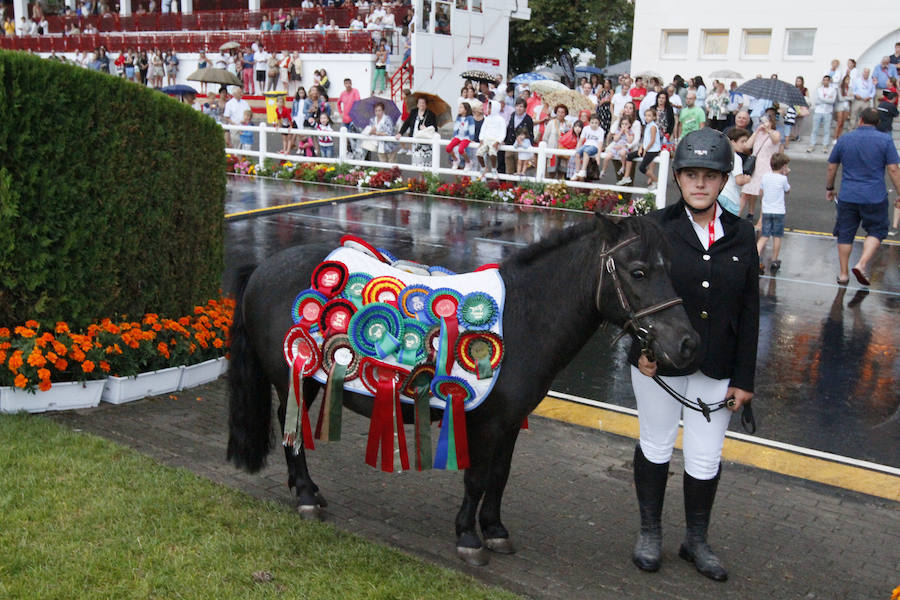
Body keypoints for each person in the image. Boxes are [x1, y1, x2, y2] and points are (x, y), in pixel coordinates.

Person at [629, 127, 758, 583]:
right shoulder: (655, 228)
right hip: (658, 365)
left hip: (717, 366)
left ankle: (696, 540)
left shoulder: (743, 236)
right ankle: (650, 533)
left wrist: (745, 379)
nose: (700, 183)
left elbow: (749, 310)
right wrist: (639, 349)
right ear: (678, 179)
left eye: (710, 175)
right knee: (656, 445)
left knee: (705, 456)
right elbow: (634, 297)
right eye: (691, 175)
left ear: (724, 181)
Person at [826, 107, 900, 286]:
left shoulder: (845, 139)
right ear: (879, 122)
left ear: (860, 120)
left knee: (845, 233)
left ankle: (843, 274)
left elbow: (831, 166)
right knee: (877, 230)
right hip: (874, 195)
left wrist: (830, 187)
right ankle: (862, 263)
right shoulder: (885, 140)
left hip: (848, 194)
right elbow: (893, 169)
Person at [757, 153, 791, 274]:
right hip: (779, 211)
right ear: (783, 167)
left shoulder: (766, 176)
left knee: (765, 235)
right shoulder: (783, 179)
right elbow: (787, 190)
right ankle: (775, 260)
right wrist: (786, 174)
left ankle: (756, 257)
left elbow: (761, 192)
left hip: (767, 210)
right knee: (777, 236)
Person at [718, 128, 752, 217]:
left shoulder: (722, 155)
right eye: (742, 141)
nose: (745, 145)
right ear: (732, 142)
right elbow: (739, 180)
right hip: (731, 197)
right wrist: (747, 179)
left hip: (719, 194)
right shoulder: (736, 158)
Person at [397, 96, 437, 166]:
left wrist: (426, 128)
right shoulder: (413, 112)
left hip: (425, 143)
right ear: (417, 104)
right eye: (420, 103)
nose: (421, 104)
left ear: (426, 104)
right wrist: (400, 133)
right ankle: (420, 177)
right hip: (415, 142)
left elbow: (435, 129)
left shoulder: (430, 114)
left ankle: (423, 177)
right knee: (416, 163)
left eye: (423, 103)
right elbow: (407, 123)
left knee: (425, 164)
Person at [503, 98, 534, 174]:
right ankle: (509, 185)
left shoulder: (528, 119)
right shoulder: (512, 115)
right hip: (510, 145)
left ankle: (518, 186)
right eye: (517, 106)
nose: (518, 108)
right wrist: (504, 140)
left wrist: (526, 141)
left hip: (521, 147)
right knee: (509, 168)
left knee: (519, 169)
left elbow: (530, 134)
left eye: (521, 106)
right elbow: (508, 129)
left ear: (525, 108)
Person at [475, 99, 506, 178]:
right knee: (479, 153)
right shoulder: (487, 119)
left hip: (494, 141)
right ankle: (483, 167)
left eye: (490, 108)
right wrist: (481, 139)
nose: (488, 109)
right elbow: (483, 129)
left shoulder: (501, 119)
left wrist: (498, 141)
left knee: (492, 153)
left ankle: (494, 168)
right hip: (486, 140)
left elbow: (503, 132)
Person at [807, 75, 837, 153]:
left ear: (829, 81)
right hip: (818, 111)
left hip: (828, 112)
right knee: (815, 129)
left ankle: (825, 146)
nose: (825, 81)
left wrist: (822, 99)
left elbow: (832, 101)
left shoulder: (833, 90)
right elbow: (816, 101)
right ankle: (812, 145)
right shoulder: (819, 90)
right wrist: (826, 99)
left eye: (827, 80)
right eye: (824, 80)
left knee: (827, 130)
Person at [600, 114, 635, 180]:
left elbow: (630, 141)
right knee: (607, 157)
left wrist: (627, 133)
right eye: (623, 124)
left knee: (622, 153)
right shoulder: (618, 131)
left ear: (630, 125)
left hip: (624, 147)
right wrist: (621, 132)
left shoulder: (630, 132)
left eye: (626, 124)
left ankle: (623, 166)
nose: (624, 126)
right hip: (616, 147)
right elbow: (615, 139)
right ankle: (603, 170)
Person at [571, 114, 605, 181]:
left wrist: (598, 156)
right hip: (586, 144)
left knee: (586, 152)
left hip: (594, 146)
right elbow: (581, 140)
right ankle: (577, 171)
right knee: (577, 154)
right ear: (589, 122)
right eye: (592, 122)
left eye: (596, 123)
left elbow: (600, 144)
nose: (594, 124)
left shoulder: (601, 131)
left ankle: (583, 170)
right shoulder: (586, 128)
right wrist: (577, 148)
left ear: (599, 123)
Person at [543, 104, 570, 178]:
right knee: (551, 171)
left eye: (562, 112)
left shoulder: (568, 124)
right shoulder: (551, 123)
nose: (560, 114)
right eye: (559, 112)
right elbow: (545, 137)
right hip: (553, 150)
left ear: (565, 113)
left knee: (562, 172)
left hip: (564, 150)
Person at [447, 102, 475, 170]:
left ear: (466, 110)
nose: (459, 109)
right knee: (448, 148)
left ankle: (468, 162)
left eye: (461, 107)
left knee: (461, 149)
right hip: (458, 136)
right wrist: (454, 136)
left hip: (466, 137)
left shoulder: (470, 118)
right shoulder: (458, 117)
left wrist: (471, 138)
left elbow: (471, 128)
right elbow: (456, 128)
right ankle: (455, 160)